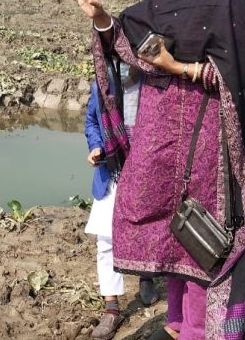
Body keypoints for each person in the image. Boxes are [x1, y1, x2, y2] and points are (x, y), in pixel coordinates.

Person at [69, 0, 245, 339]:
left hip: (208, 135)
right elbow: (129, 38)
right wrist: (103, 17)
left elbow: (239, 76)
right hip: (160, 132)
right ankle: (180, 324)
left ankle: (205, 329)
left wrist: (176, 67)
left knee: (205, 235)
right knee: (168, 224)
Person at [83, 63, 158, 340]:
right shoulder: (103, 86)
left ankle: (146, 277)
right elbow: (91, 121)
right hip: (112, 170)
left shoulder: (154, 86)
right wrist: (95, 146)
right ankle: (111, 307)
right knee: (106, 240)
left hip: (146, 173)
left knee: (146, 231)